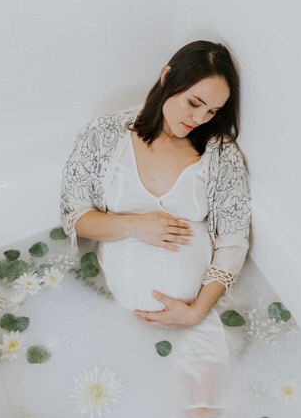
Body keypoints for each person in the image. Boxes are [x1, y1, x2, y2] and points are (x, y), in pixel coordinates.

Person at [60, 40, 252, 417]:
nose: (199, 119)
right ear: (167, 78)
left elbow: (232, 242)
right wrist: (134, 225)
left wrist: (196, 311)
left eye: (212, 111)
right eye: (193, 103)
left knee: (205, 408)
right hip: (116, 311)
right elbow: (75, 216)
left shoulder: (220, 154)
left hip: (196, 310)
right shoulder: (104, 135)